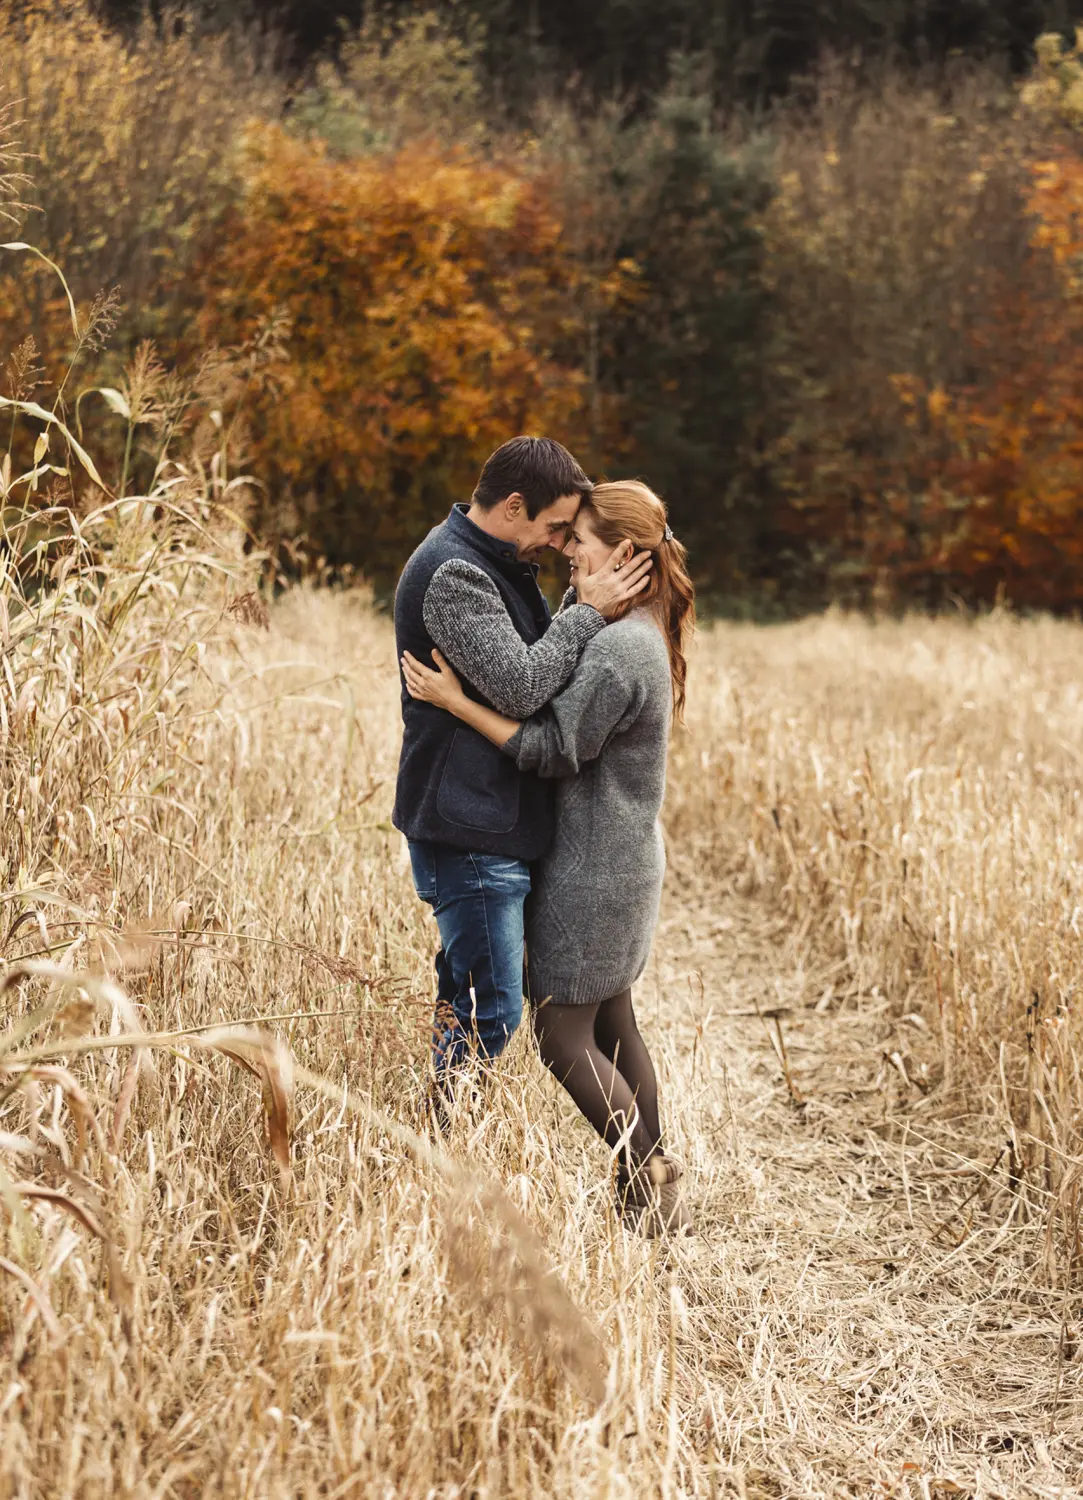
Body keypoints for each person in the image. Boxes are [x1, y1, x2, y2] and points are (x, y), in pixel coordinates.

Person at [402, 480, 696, 1234]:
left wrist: (453, 701)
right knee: (613, 1028)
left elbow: (544, 748)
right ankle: (651, 1191)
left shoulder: (619, 650)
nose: (566, 552)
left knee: (560, 1036)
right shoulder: (634, 625)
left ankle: (643, 1174)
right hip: (621, 860)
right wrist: (583, 602)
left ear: (623, 554)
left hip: (593, 871)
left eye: (580, 543)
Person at [393, 437, 653, 1083]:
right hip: (469, 824)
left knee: (468, 995)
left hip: (489, 822)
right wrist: (590, 610)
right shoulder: (456, 574)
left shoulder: (495, 563)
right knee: (492, 1010)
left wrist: (581, 607)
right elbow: (521, 687)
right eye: (556, 527)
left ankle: (440, 1135)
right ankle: (443, 1137)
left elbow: (540, 666)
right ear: (513, 506)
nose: (562, 544)